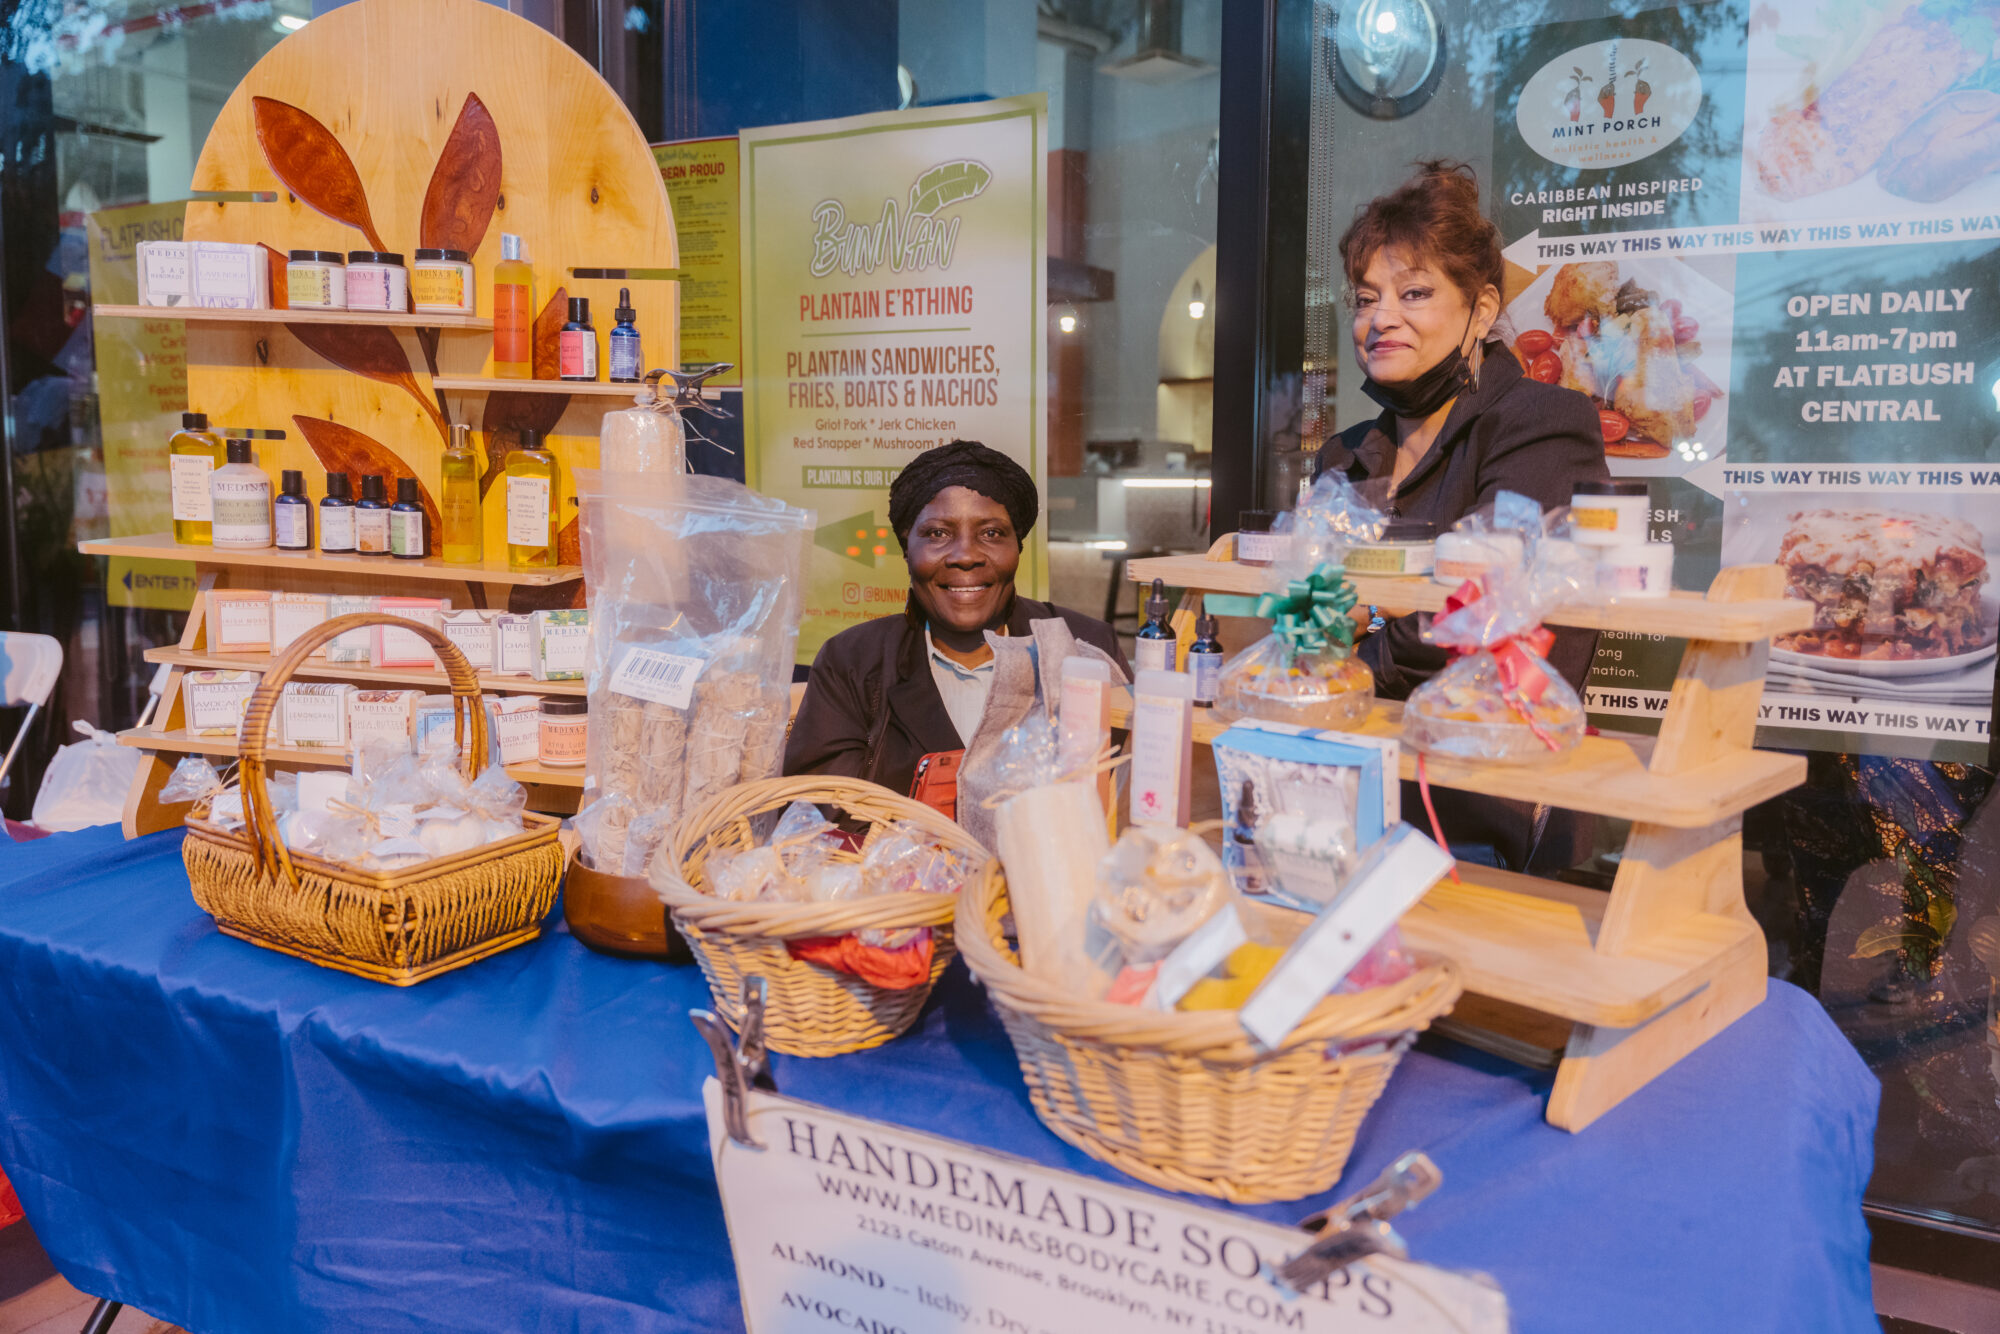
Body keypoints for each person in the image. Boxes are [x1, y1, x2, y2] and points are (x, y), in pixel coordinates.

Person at [1315, 161, 1609, 869]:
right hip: (1337, 781)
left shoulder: (1541, 421)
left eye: (1413, 293)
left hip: (1477, 793)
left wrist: (1352, 650)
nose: (1380, 318)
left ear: (1481, 310)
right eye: (1365, 298)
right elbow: (1302, 609)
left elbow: (1489, 621)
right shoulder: (1345, 453)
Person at [785, 440, 1125, 800]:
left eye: (991, 533)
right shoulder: (852, 662)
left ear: (1018, 547)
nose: (965, 556)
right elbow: (817, 816)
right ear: (907, 549)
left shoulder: (1084, 650)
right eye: (938, 534)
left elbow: (1128, 796)